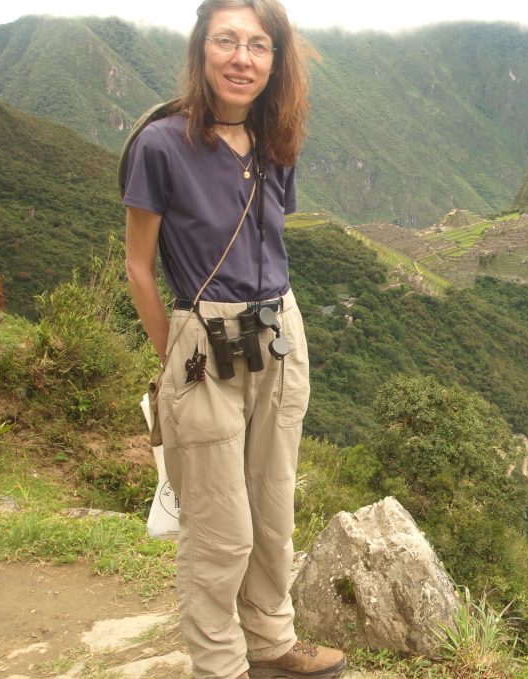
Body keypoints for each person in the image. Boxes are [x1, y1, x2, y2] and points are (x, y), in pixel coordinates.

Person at [120, 1, 343, 678]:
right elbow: (139, 263)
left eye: (258, 45)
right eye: (227, 41)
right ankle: (220, 664)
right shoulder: (160, 145)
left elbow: (271, 240)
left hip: (279, 331)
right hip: (202, 342)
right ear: (202, 48)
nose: (242, 58)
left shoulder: (279, 140)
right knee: (220, 524)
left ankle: (271, 638)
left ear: (276, 59)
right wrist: (173, 352)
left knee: (273, 504)